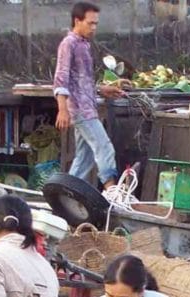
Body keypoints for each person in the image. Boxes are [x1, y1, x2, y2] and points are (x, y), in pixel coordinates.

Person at [53, 2, 126, 189]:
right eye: (90, 23)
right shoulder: (68, 44)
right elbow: (61, 77)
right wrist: (62, 109)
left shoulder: (83, 45)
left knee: (84, 158)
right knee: (104, 146)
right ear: (77, 21)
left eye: (96, 24)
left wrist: (104, 89)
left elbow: (82, 81)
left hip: (87, 106)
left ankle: (65, 192)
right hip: (80, 109)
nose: (93, 28)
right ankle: (111, 190)